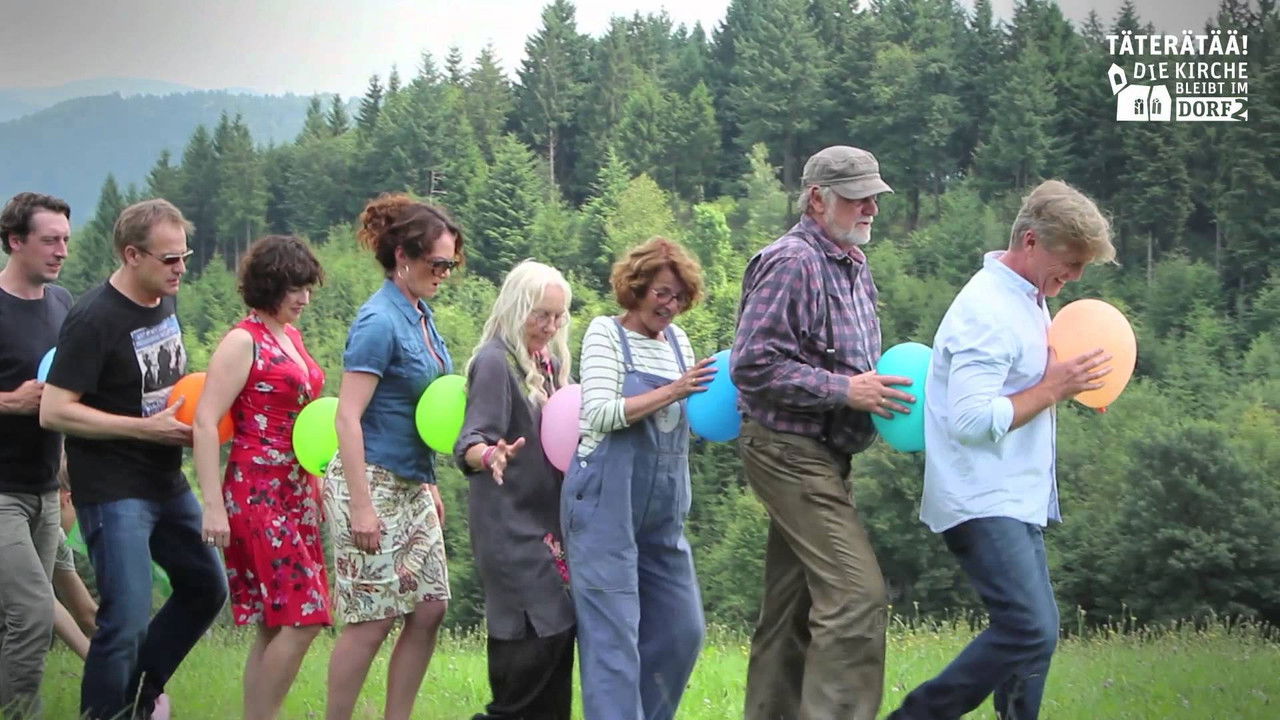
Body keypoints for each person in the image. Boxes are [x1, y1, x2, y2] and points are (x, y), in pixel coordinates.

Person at [886, 180, 1115, 720]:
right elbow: (969, 420)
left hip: (1016, 496)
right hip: (982, 498)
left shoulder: (1028, 300)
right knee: (1030, 627)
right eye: (1071, 261)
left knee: (1036, 637)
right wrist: (1053, 389)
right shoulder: (985, 310)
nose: (1076, 276)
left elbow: (1022, 387)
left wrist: (1067, 383)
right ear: (1031, 241)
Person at [731, 145, 914, 720]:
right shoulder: (792, 261)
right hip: (788, 450)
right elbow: (752, 363)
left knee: (792, 611)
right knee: (858, 597)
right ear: (817, 199)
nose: (871, 210)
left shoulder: (852, 265)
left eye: (874, 198)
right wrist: (846, 391)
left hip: (828, 454)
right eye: (859, 198)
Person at [40, 198, 227, 720]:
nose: (181, 268)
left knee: (207, 585)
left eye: (184, 256)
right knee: (124, 619)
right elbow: (54, 411)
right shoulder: (92, 318)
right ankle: (104, 712)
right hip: (113, 488)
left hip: (165, 479)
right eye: (169, 259)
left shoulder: (164, 299)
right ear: (131, 255)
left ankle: (139, 698)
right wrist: (144, 429)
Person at [561, 237, 715, 720]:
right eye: (661, 293)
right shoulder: (606, 333)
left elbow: (684, 415)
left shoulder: (678, 342)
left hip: (663, 509)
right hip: (604, 500)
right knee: (613, 642)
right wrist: (675, 390)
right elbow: (601, 413)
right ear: (636, 288)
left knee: (682, 629)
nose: (669, 306)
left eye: (679, 298)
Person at [324, 194, 461, 720]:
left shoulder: (421, 316)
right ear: (404, 255)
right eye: (437, 263)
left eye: (451, 264)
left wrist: (427, 483)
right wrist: (361, 505)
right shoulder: (378, 321)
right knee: (372, 619)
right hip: (371, 482)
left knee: (429, 608)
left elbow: (424, 408)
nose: (445, 273)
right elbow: (347, 416)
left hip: (411, 483)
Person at [193, 235, 328, 720]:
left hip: (296, 491)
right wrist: (212, 504)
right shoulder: (242, 340)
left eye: (308, 288)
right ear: (270, 284)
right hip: (257, 491)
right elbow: (206, 421)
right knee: (306, 615)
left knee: (276, 621)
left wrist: (317, 485)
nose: (304, 298)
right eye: (295, 287)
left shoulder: (290, 337)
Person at [455, 260, 576, 720]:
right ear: (516, 307)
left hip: (548, 532)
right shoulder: (494, 362)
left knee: (555, 650)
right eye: (540, 314)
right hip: (512, 535)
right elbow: (470, 439)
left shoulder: (552, 361)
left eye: (558, 316)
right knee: (526, 668)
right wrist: (490, 456)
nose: (549, 326)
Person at [0, 192, 72, 718]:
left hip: (46, 489)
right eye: (49, 240)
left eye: (66, 240)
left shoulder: (62, 304)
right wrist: (9, 402)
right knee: (29, 614)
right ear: (15, 241)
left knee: (27, 617)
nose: (61, 250)